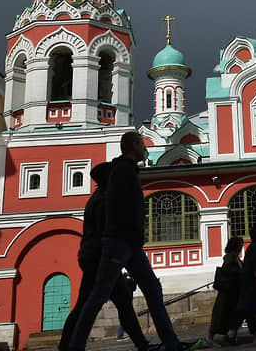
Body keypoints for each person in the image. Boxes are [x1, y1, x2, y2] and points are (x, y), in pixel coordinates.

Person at [67, 132, 200, 351]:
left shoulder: (126, 171)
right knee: (98, 296)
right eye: (141, 144)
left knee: (153, 291)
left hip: (130, 243)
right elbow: (118, 208)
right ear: (133, 146)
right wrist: (125, 233)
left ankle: (171, 343)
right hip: (120, 242)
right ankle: (75, 347)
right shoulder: (122, 171)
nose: (144, 148)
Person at [59, 162, 149, 351]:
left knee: (101, 303)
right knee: (106, 304)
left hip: (93, 257)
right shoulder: (104, 200)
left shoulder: (96, 198)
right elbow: (106, 232)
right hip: (101, 259)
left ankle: (66, 344)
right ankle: (69, 345)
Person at [204, 236, 244, 347]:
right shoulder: (230, 257)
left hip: (233, 292)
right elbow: (227, 270)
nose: (241, 247)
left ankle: (230, 336)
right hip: (228, 293)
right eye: (240, 245)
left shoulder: (235, 257)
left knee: (230, 316)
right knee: (220, 315)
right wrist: (239, 272)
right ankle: (210, 339)